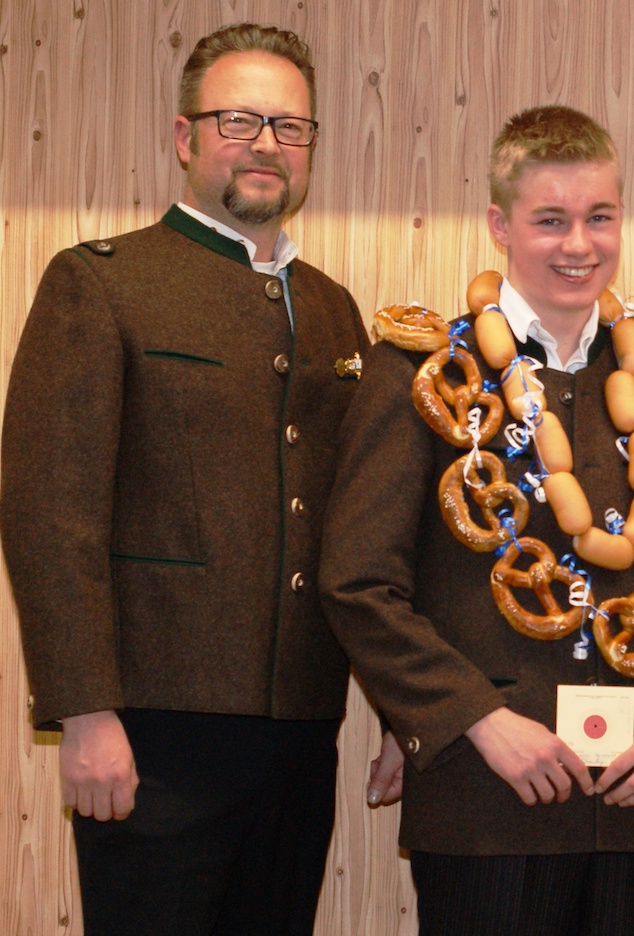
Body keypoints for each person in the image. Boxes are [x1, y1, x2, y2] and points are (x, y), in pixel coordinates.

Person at [318, 104, 634, 936]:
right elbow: (359, 582)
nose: (578, 245)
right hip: (488, 799)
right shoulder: (426, 373)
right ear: (500, 225)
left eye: (600, 217)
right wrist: (475, 721)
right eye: (550, 220)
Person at [0, 23, 367, 936]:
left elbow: (363, 529)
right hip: (149, 735)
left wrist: (402, 717)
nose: (267, 145)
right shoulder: (103, 283)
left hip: (300, 731)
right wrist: (84, 711)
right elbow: (50, 512)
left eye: (290, 127)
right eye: (239, 120)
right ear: (184, 138)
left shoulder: (334, 309)